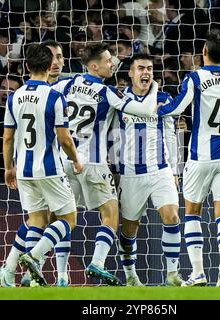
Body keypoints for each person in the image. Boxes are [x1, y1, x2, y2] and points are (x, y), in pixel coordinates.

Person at [157, 29, 220, 287]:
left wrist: (157, 109)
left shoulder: (195, 78)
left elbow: (177, 108)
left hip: (200, 158)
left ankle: (199, 273)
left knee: (192, 214)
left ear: (204, 52)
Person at [61, 42, 159, 286]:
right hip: (93, 162)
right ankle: (98, 262)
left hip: (65, 160)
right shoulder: (108, 92)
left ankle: (45, 267)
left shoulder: (67, 84)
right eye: (107, 61)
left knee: (60, 218)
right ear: (94, 66)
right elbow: (145, 109)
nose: (112, 64)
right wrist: (154, 86)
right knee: (111, 215)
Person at [2, 44, 83, 287]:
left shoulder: (13, 97)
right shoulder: (55, 97)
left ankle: (20, 275)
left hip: (24, 170)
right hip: (49, 169)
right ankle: (34, 256)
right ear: (49, 67)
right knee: (68, 219)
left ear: (27, 66)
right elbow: (64, 137)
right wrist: (76, 159)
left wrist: (8, 168)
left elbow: (7, 137)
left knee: (36, 220)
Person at [116, 53, 182, 287]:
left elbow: (173, 134)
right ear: (131, 73)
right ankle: (131, 275)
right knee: (129, 229)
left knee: (172, 215)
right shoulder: (120, 99)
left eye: (150, 69)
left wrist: (175, 169)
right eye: (141, 68)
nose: (146, 73)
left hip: (160, 170)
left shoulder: (164, 98)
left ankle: (172, 275)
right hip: (131, 174)